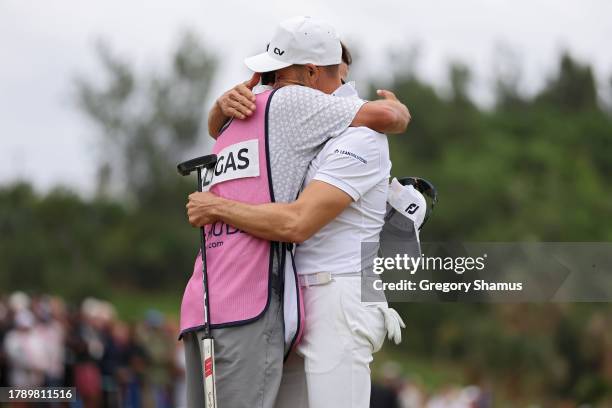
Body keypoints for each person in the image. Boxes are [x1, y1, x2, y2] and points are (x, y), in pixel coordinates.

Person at [180, 16, 410, 408]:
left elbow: (297, 222)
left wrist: (217, 206)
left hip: (339, 293)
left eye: (279, 74)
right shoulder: (303, 119)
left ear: (312, 72)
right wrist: (219, 111)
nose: (270, 84)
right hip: (291, 297)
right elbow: (232, 138)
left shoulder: (355, 130)